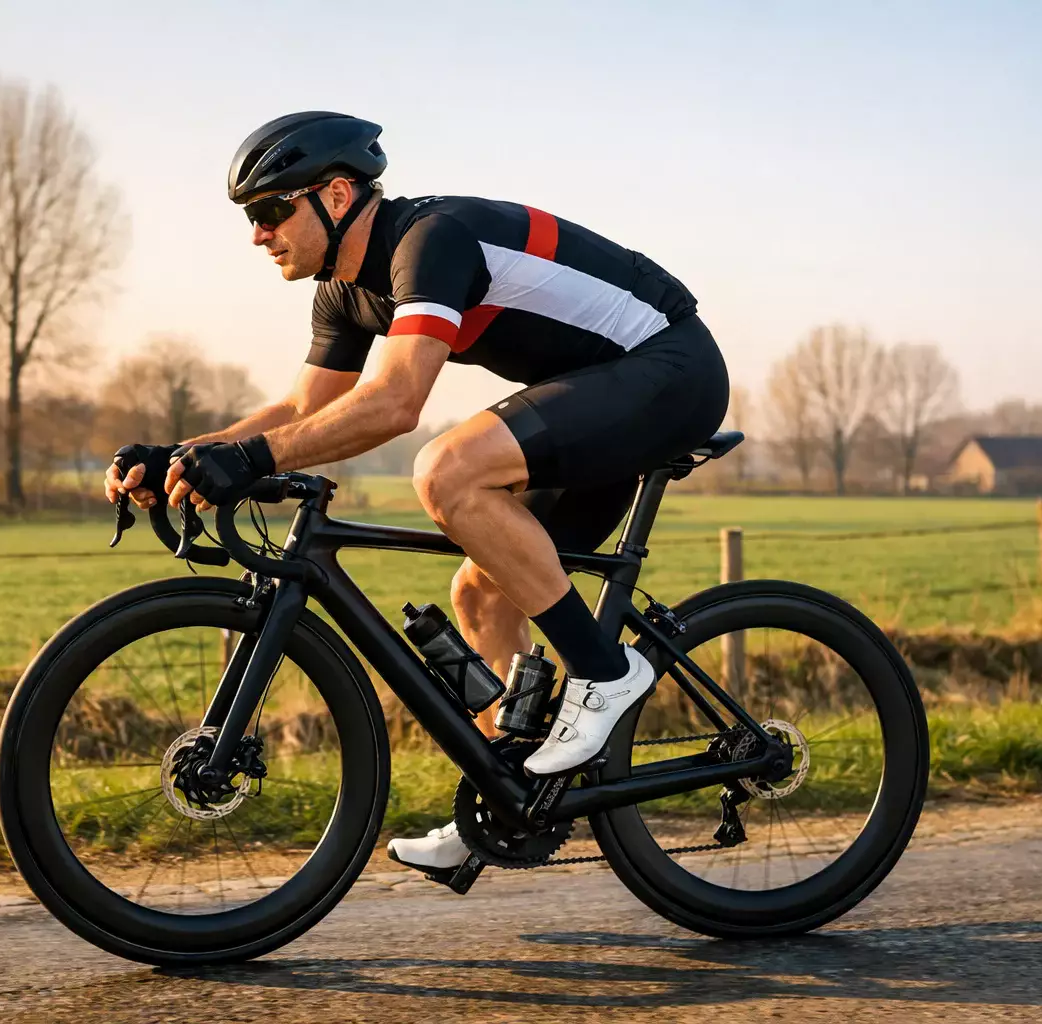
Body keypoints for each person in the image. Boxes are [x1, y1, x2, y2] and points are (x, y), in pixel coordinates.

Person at [106, 111, 729, 876]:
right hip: (596, 394)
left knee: (447, 470)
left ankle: (604, 673)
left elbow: (397, 403)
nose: (258, 235)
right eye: (251, 219)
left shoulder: (429, 243)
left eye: (271, 211)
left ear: (336, 195)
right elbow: (304, 412)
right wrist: (180, 455)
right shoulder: (342, 291)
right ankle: (515, 794)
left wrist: (250, 460)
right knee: (482, 595)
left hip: (670, 368)